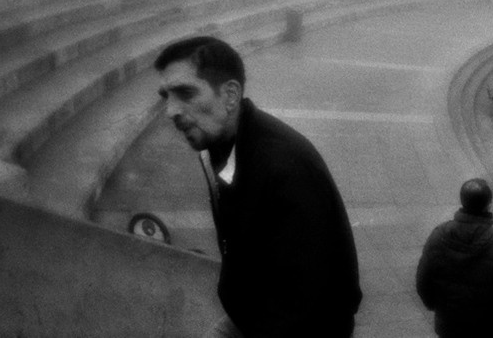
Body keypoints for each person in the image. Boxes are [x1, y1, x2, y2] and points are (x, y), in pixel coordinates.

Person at [154, 36, 362, 338]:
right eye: (166, 96)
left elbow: (309, 298)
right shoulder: (217, 147)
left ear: (230, 95)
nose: (171, 111)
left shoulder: (286, 168)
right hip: (251, 312)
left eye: (185, 93)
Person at [416, 178, 493, 338]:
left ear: (462, 201)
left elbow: (423, 281)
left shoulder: (438, 235)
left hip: (449, 326)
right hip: (487, 329)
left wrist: (437, 307)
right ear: (488, 205)